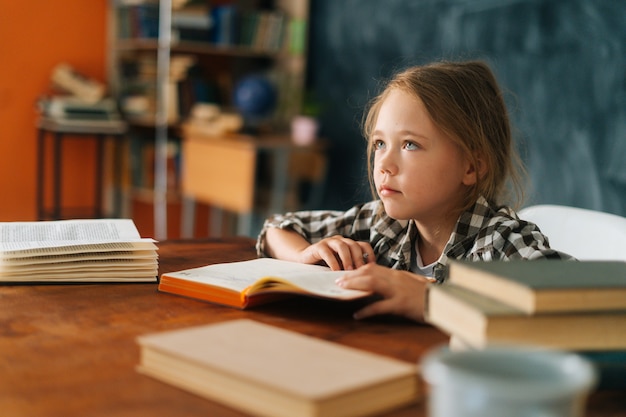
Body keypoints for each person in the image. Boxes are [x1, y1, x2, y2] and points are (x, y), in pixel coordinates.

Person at [256, 60, 572, 323]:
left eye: (410, 144)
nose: (385, 164)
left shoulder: (501, 242)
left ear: (471, 167)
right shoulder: (383, 225)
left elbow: (582, 308)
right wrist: (303, 255)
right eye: (380, 143)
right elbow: (277, 229)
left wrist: (432, 300)